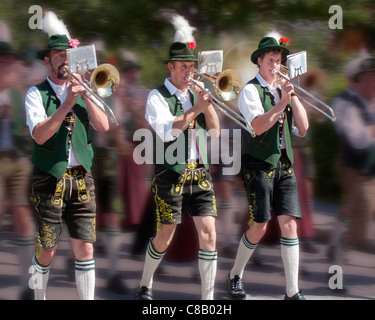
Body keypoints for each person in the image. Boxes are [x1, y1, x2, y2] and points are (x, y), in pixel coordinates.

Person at [25, 34, 110, 300]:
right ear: (48, 60)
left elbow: (105, 127)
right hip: (49, 178)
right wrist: (68, 103)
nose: (64, 60)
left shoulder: (85, 88)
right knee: (47, 249)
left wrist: (88, 95)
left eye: (67, 55)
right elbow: (39, 135)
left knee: (85, 246)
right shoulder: (35, 93)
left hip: (82, 177)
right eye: (59, 55)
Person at [227, 36, 309, 300]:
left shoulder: (283, 89)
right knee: (260, 225)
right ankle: (235, 274)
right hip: (258, 163)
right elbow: (258, 126)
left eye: (278, 60)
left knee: (289, 225)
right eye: (271, 60)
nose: (276, 65)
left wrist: (292, 96)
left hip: (284, 161)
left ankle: (292, 291)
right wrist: (283, 102)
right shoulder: (250, 91)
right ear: (259, 62)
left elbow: (304, 129)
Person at [137, 41, 220, 300]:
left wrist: (208, 102)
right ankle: (145, 284)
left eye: (192, 67)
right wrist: (197, 107)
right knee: (165, 235)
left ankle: (208, 299)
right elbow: (169, 131)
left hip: (200, 171)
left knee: (209, 233)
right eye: (183, 67)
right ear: (171, 67)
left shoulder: (195, 94)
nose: (189, 72)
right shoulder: (156, 96)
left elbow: (215, 131)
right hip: (170, 173)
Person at [330, 52, 375, 261]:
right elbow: (359, 141)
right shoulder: (345, 104)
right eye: (371, 77)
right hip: (354, 167)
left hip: (369, 169)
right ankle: (339, 250)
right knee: (358, 218)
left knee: (353, 210)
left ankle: (337, 244)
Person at [0, 33, 35, 300]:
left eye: (10, 60)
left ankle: (28, 284)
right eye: (4, 61)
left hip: (19, 158)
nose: (8, 65)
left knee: (23, 215)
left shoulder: (18, 91)